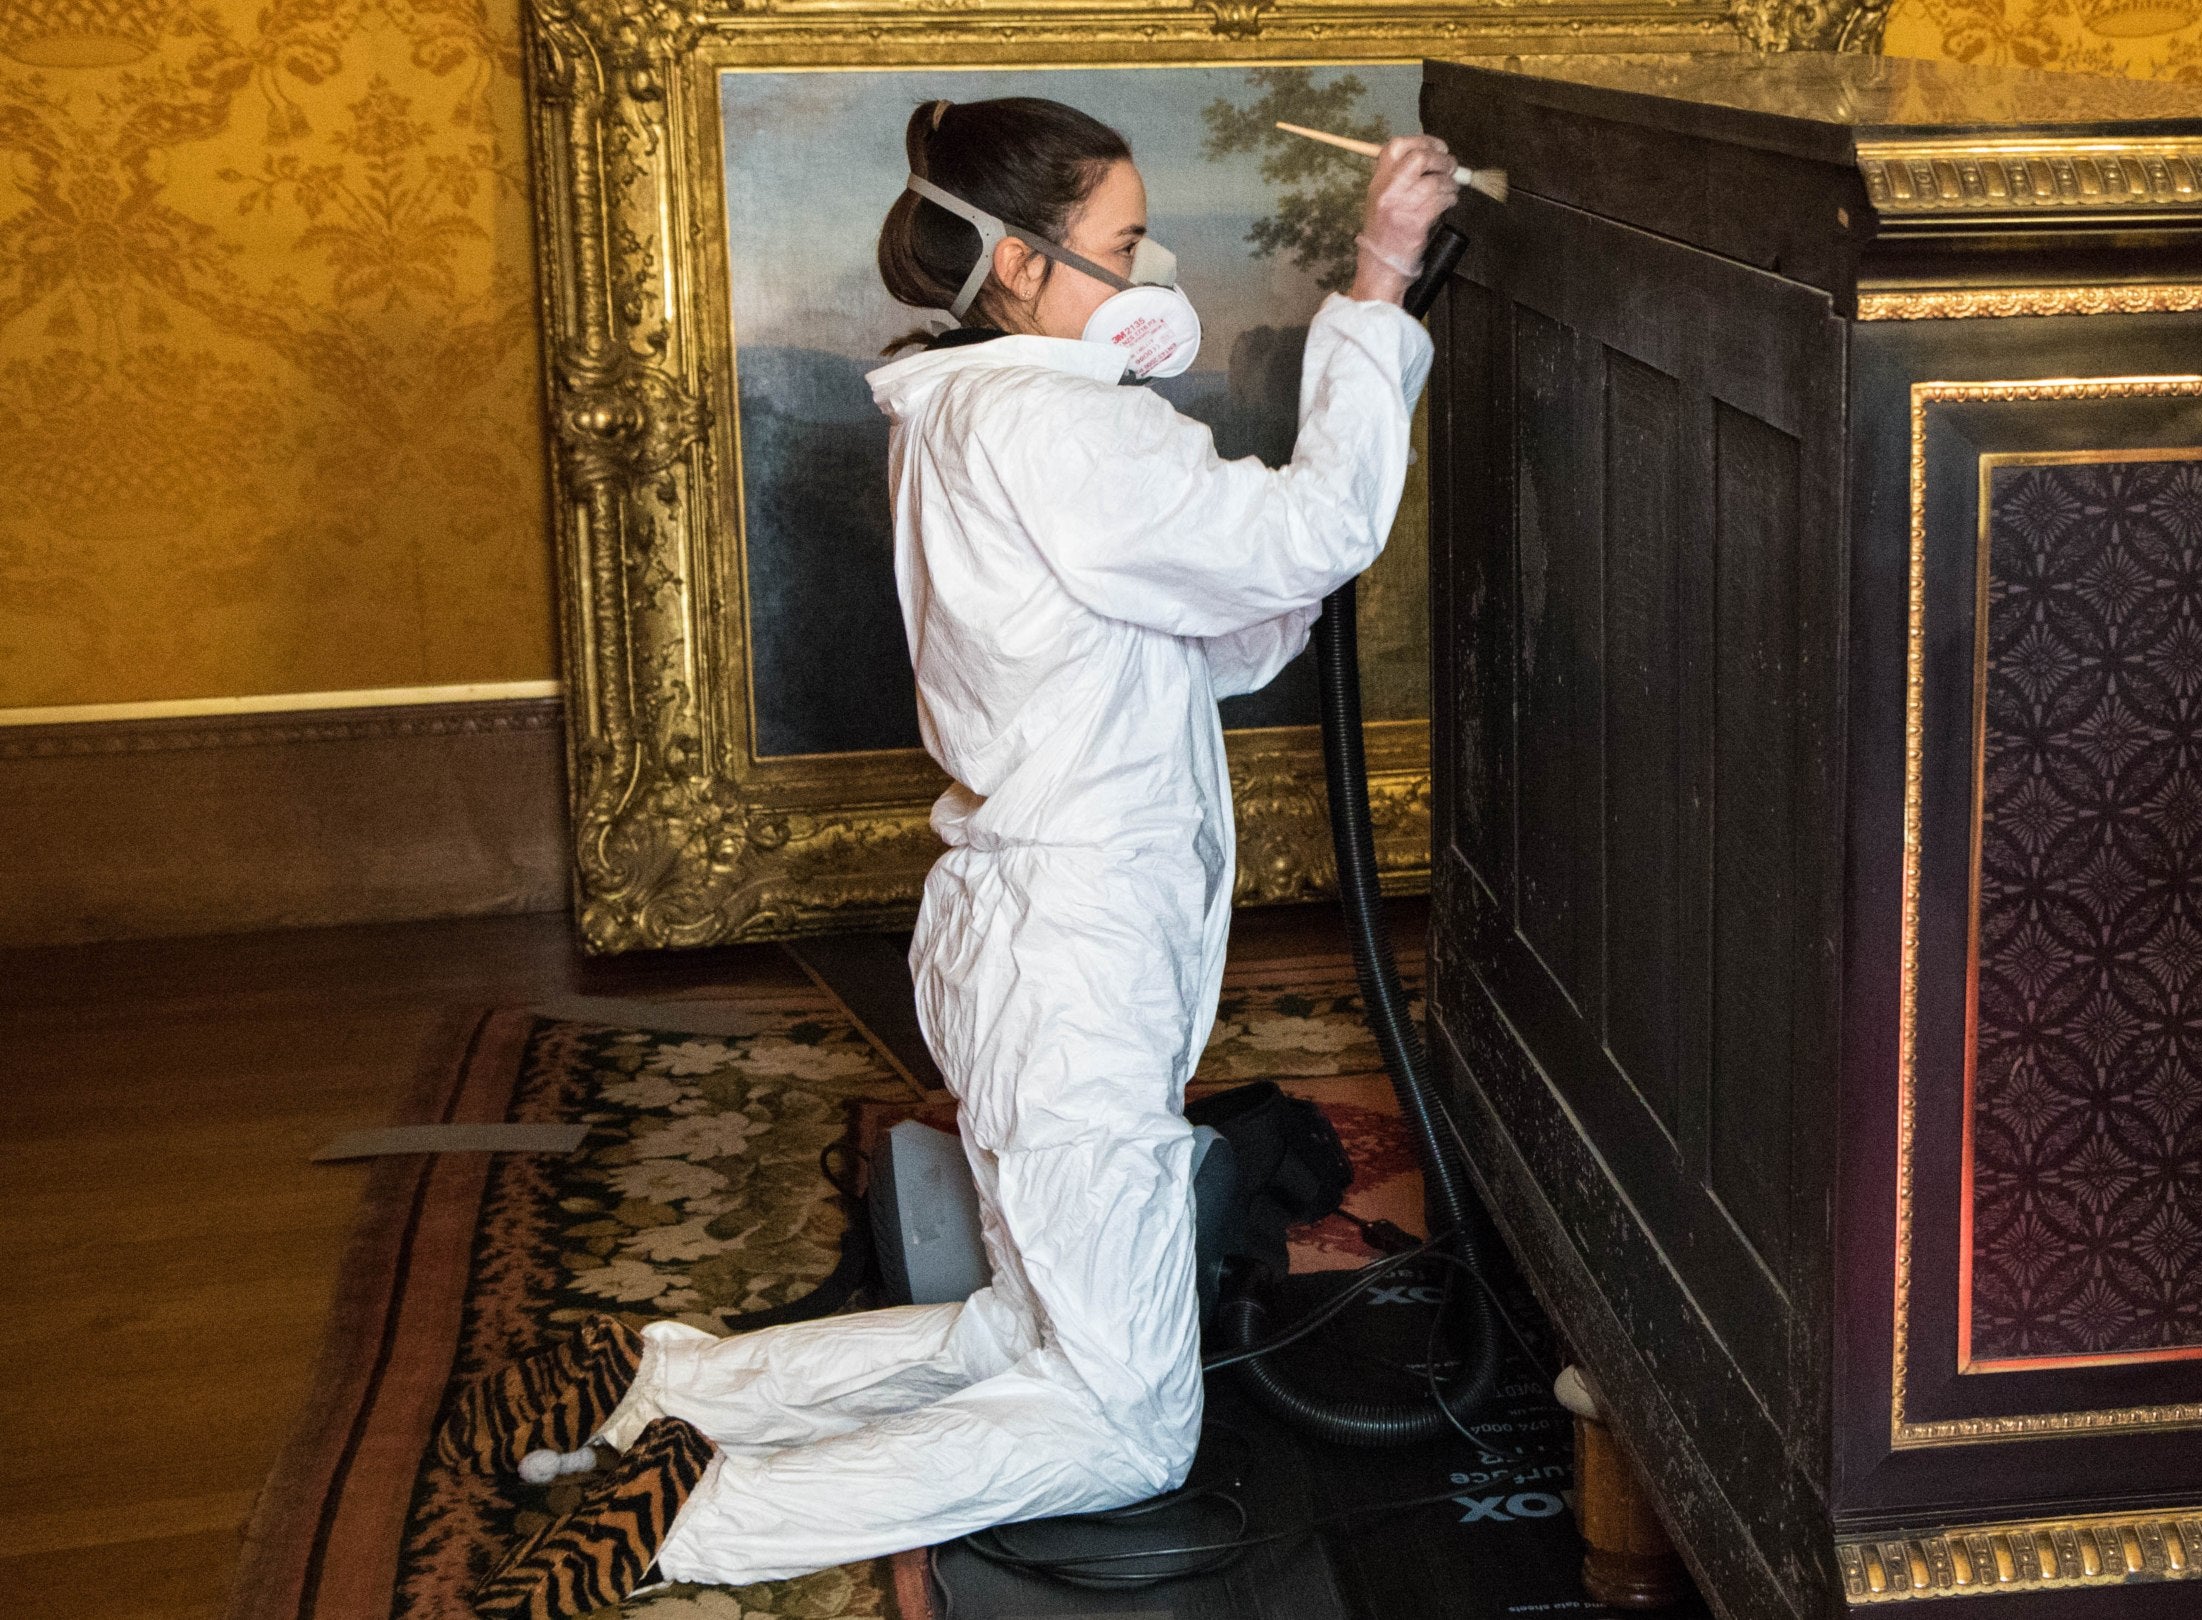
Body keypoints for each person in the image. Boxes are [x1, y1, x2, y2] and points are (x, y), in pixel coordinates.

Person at [442, 96, 1461, 1618]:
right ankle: (691, 1520)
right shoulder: (1058, 422)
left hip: (1029, 931)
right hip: (1072, 947)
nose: (1149, 273)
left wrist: (1253, 582)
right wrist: (1378, 280)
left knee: (1015, 1333)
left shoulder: (973, 404)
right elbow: (1308, 532)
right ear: (1017, 266)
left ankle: (672, 1388)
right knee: (1125, 1423)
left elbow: (1175, 624)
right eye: (1120, 248)